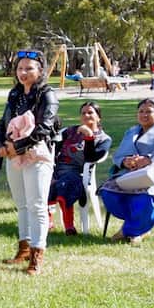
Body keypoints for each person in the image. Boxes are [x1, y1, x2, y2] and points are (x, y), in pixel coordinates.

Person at [0, 49, 60, 276]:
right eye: (20, 68)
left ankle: (36, 256)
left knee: (37, 205)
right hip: (14, 156)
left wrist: (18, 146)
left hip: (37, 155)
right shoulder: (15, 95)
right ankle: (23, 249)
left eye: (29, 68)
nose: (23, 73)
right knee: (22, 204)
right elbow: (2, 124)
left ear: (40, 70)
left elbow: (44, 128)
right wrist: (1, 146)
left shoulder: (47, 95)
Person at [98, 97, 154, 244]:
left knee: (146, 195)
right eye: (141, 111)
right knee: (108, 191)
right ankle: (139, 227)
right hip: (130, 175)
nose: (144, 115)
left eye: (149, 111)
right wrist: (126, 161)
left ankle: (129, 231)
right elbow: (118, 155)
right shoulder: (131, 131)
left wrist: (149, 159)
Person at [48, 101, 112, 236]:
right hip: (57, 167)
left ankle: (69, 226)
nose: (86, 115)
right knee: (42, 181)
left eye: (90, 112)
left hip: (79, 172)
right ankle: (47, 221)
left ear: (98, 117)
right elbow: (54, 148)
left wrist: (89, 136)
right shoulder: (70, 131)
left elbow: (91, 158)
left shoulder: (104, 139)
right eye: (83, 113)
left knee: (65, 185)